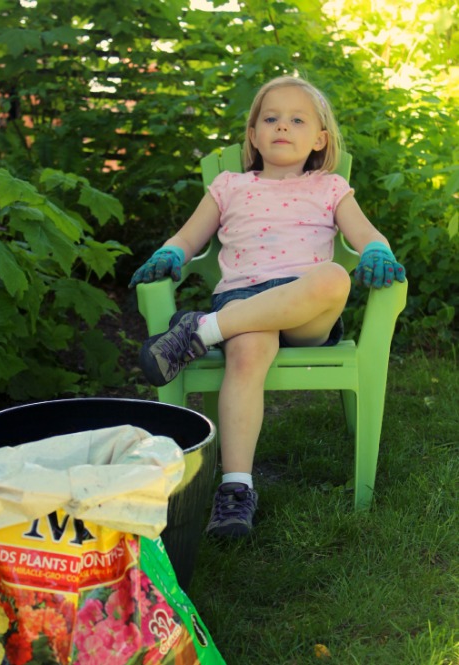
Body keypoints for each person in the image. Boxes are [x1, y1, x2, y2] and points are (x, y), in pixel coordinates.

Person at [129, 75, 406, 539]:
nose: (282, 126)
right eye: (271, 118)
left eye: (297, 119)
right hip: (244, 301)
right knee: (248, 351)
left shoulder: (329, 187)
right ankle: (236, 490)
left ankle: (202, 330)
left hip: (307, 305)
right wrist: (170, 255)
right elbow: (188, 237)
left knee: (335, 276)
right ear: (253, 135)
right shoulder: (229, 186)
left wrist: (378, 252)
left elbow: (367, 236)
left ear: (319, 139)